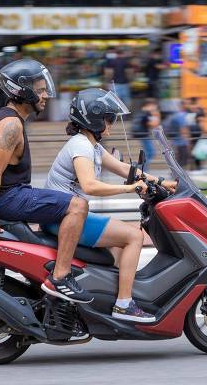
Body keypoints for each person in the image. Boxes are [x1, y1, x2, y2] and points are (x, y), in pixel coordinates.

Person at [44, 88, 177, 322]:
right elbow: (90, 186)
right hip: (64, 219)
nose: (112, 124)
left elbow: (124, 169)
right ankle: (124, 305)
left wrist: (165, 182)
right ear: (93, 119)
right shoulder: (81, 146)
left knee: (119, 245)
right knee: (134, 237)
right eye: (109, 118)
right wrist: (131, 188)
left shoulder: (91, 145)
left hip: (66, 216)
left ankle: (108, 299)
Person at [0, 58, 94, 304]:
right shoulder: (11, 125)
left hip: (11, 196)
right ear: (22, 91)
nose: (45, 95)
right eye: (39, 90)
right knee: (78, 205)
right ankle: (61, 276)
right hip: (8, 199)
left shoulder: (6, 118)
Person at [164, 99, 191, 167]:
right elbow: (183, 129)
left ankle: (178, 173)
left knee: (180, 158)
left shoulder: (179, 114)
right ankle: (177, 173)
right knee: (181, 158)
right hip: (180, 141)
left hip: (177, 140)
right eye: (187, 104)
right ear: (182, 105)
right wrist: (187, 140)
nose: (189, 105)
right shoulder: (181, 115)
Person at [132, 97, 161, 162]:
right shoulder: (145, 112)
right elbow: (153, 124)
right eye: (154, 105)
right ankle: (141, 169)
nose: (155, 107)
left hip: (141, 134)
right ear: (148, 105)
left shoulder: (141, 112)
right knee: (150, 153)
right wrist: (157, 115)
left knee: (149, 153)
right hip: (143, 134)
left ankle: (141, 168)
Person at [187, 97, 207, 170]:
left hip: (192, 133)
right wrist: (205, 132)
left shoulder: (189, 111)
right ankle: (197, 167)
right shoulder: (199, 111)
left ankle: (194, 167)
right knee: (197, 150)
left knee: (195, 150)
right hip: (195, 133)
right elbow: (202, 123)